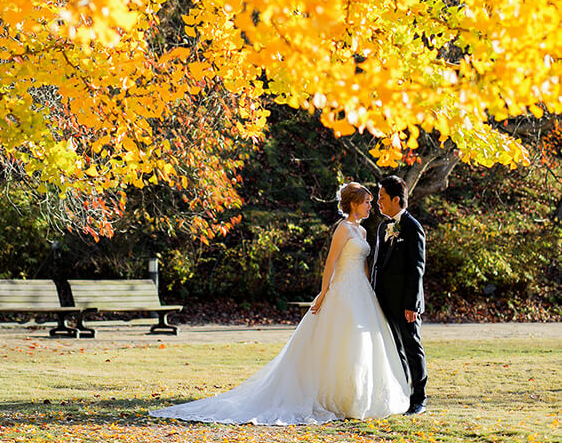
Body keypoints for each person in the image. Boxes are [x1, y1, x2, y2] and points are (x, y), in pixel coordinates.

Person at [149, 182, 409, 425]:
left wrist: (370, 290)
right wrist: (323, 292)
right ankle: (338, 397)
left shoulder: (363, 230)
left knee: (361, 345)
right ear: (353, 204)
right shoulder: (343, 229)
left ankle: (357, 396)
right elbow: (330, 263)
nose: (370, 206)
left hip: (361, 292)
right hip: (343, 292)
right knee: (340, 342)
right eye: (366, 202)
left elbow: (363, 264)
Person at [371, 175, 428, 415]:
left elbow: (417, 268)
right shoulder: (384, 226)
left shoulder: (413, 227)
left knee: (412, 347)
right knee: (395, 350)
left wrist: (412, 305)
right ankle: (403, 394)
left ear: (396, 199)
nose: (377, 202)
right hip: (383, 300)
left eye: (382, 198)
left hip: (405, 303)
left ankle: (419, 398)